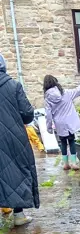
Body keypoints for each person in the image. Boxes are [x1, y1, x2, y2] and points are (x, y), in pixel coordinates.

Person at [0, 53, 39, 225]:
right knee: (17, 172)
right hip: (13, 137)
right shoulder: (14, 86)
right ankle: (18, 215)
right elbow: (27, 114)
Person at [44, 75, 80, 171]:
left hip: (59, 124)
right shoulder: (66, 93)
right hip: (69, 122)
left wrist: (49, 127)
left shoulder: (47, 99)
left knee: (63, 142)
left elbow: (48, 114)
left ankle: (65, 164)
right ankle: (73, 162)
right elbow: (78, 90)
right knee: (72, 141)